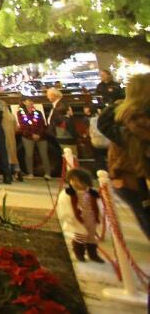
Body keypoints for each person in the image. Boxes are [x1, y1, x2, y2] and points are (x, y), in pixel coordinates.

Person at [98, 74, 150, 240]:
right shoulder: (131, 123)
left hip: (135, 179)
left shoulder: (124, 120)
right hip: (133, 179)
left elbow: (104, 122)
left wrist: (120, 103)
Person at [57, 168, 105, 263]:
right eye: (73, 180)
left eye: (78, 181)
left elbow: (99, 207)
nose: (75, 183)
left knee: (92, 238)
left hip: (91, 218)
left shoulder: (93, 193)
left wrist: (99, 217)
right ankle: (79, 253)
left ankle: (93, 254)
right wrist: (69, 217)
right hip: (77, 218)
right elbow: (64, 206)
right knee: (80, 237)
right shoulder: (68, 194)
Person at [18, 99, 52, 179]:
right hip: (28, 137)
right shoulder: (21, 113)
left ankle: (47, 173)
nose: (30, 102)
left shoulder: (38, 112)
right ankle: (30, 173)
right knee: (29, 155)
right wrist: (31, 134)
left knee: (44, 155)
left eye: (31, 101)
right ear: (24, 102)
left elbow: (42, 124)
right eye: (28, 101)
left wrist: (39, 134)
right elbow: (23, 125)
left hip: (41, 137)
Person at [1, 99, 22, 181]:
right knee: (13, 155)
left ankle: (8, 174)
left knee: (5, 156)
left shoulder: (1, 117)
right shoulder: (12, 116)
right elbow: (16, 128)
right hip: (12, 138)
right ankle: (18, 172)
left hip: (3, 138)